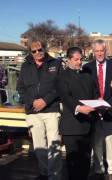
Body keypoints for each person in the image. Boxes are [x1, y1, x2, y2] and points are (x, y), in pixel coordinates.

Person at [17, 39, 62, 180]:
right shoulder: (25, 66)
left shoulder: (55, 64)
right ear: (31, 52)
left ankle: (54, 175)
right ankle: (44, 171)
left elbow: (60, 87)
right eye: (34, 51)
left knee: (54, 143)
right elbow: (20, 88)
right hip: (33, 111)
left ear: (45, 49)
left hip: (51, 110)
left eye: (40, 50)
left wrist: (45, 101)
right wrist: (32, 102)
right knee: (39, 146)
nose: (37, 53)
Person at [82, 39, 112, 180]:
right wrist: (94, 104)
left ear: (106, 51)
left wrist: (107, 104)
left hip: (109, 110)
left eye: (102, 51)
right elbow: (85, 88)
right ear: (93, 52)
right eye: (97, 51)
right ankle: (99, 167)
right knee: (97, 142)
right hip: (93, 111)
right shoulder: (87, 67)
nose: (100, 53)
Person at [56, 47, 98, 180]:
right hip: (72, 127)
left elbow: (95, 94)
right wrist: (79, 108)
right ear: (68, 60)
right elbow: (65, 97)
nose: (79, 62)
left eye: (81, 59)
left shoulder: (88, 76)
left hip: (87, 125)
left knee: (85, 163)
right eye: (76, 59)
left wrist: (99, 102)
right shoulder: (61, 77)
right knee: (73, 164)